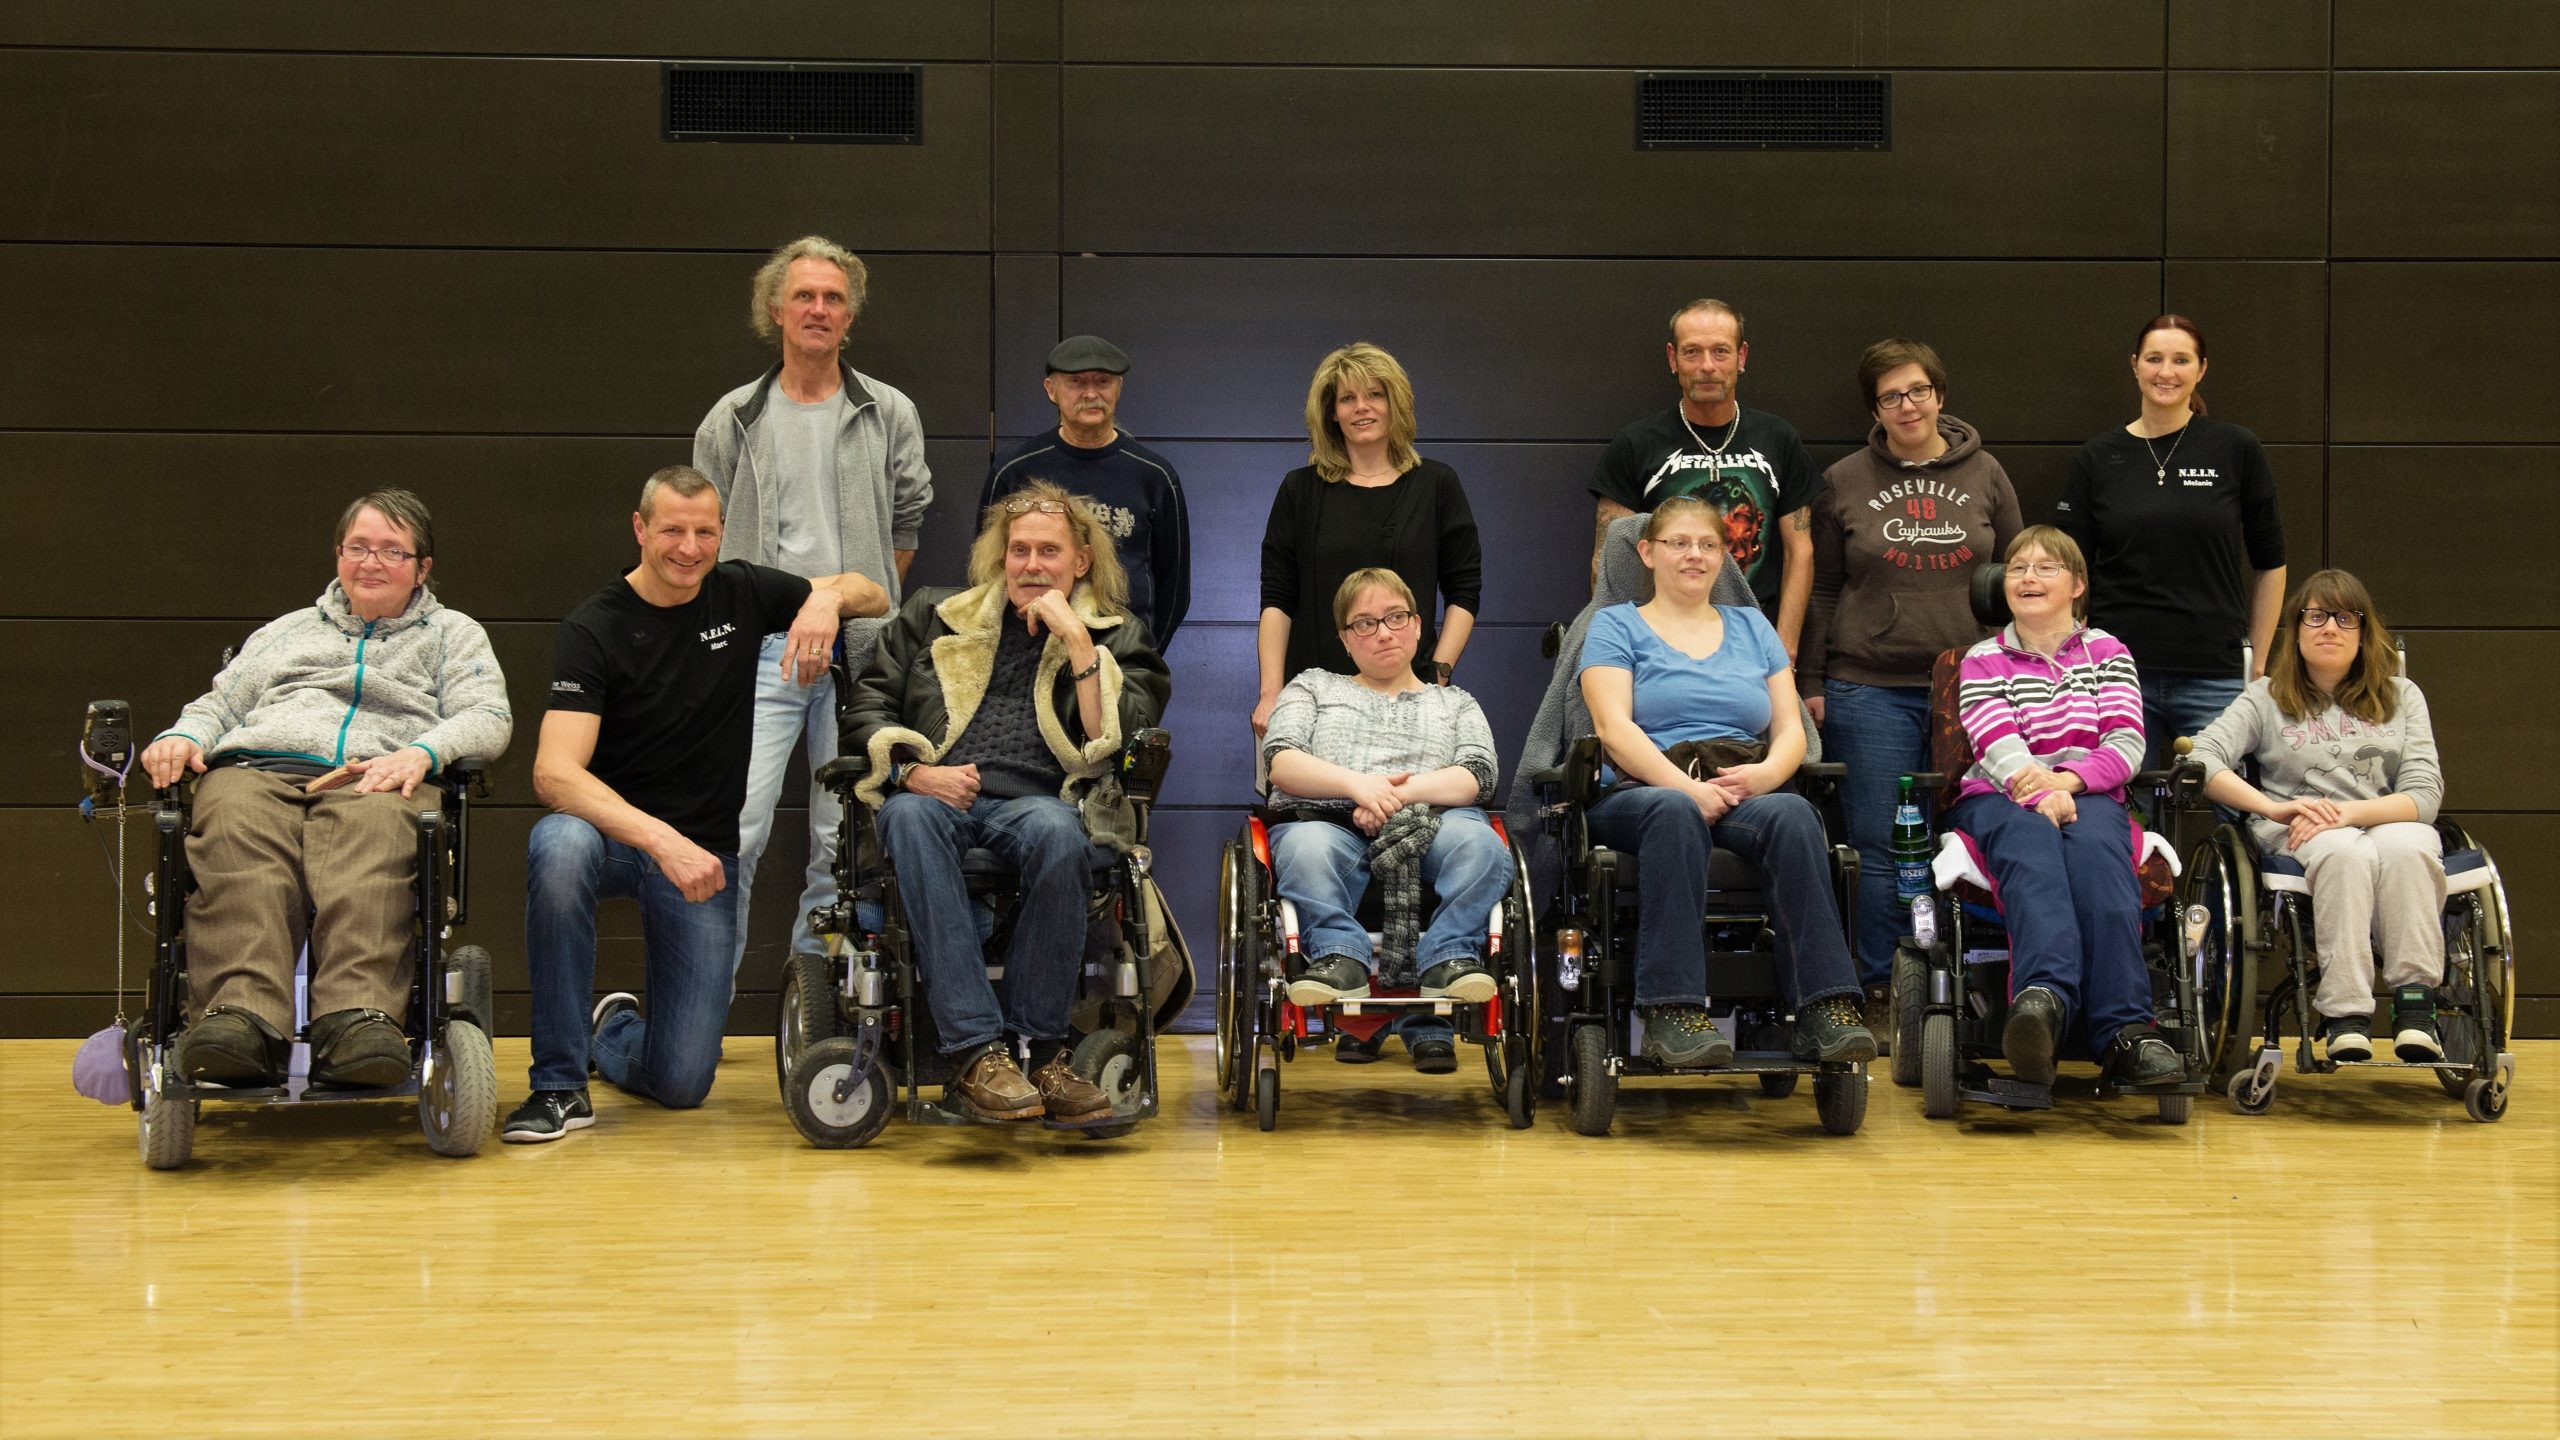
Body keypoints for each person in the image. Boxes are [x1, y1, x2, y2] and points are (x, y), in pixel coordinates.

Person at [505, 467, 887, 1142]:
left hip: (701, 854)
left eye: (704, 531)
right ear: (641, 528)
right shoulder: (594, 626)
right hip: (620, 838)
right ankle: (558, 1087)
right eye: (673, 530)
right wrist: (661, 840)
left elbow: (873, 592)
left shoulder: (740, 591)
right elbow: (553, 774)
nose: (688, 547)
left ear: (720, 533)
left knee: (682, 1084)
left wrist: (823, 602)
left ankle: (613, 1031)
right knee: (557, 846)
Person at [139, 489, 511, 1089]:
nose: (372, 562)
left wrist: (423, 751)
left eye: (392, 551)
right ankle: (241, 1020)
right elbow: (221, 704)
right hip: (258, 767)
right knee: (235, 836)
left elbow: (489, 718)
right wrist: (182, 735)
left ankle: (356, 1020)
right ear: (338, 554)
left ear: (423, 567)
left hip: (378, 773)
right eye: (358, 547)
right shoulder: (286, 632)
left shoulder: (453, 635)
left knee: (369, 850)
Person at [841, 480, 1172, 1125]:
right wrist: (912, 770)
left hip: (1040, 801)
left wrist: (1079, 642)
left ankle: (1040, 1048)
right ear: (1001, 556)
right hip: (938, 793)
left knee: (1059, 835)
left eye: (1048, 551)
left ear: (1081, 560)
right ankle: (974, 1052)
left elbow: (1128, 735)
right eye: (1018, 549)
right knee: (905, 816)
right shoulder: (935, 615)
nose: (1031, 565)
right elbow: (867, 706)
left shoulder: (1119, 635)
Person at [692, 235, 934, 984]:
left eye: (833, 298)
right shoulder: (732, 419)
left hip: (861, 654)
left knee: (845, 834)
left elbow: (906, 526)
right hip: (757, 650)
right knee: (737, 825)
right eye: (805, 296)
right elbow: (702, 540)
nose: (819, 310)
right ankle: (704, 1005)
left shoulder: (888, 411)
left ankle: (816, 1000)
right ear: (776, 311)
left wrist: (848, 608)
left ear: (850, 315)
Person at [1577, 495, 1875, 1068]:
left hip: (1741, 780)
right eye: (1679, 543)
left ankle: (1824, 1009)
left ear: (1724, 557)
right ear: (1647, 552)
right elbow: (1614, 729)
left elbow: (1791, 730)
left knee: (1793, 816)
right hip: (1643, 787)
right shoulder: (1614, 625)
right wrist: (1686, 789)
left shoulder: (1751, 625)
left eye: (1708, 544)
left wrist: (1766, 775)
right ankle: (1671, 1012)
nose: (1695, 555)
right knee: (1673, 811)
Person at [1252, 340, 1483, 1065]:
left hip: (1410, 694)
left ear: (1395, 405)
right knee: (1322, 842)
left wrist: (1437, 671)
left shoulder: (1435, 484)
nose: (1361, 409)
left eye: (1373, 395)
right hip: (1323, 708)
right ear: (1330, 411)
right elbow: (1277, 601)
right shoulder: (1302, 490)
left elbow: (1465, 591)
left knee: (1451, 841)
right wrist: (1270, 690)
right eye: (1346, 397)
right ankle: (1361, 1013)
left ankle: (1426, 1018)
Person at [1800, 338, 2023, 1029]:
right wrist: (1812, 678)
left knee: (1974, 836)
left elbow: (2019, 580)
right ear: (1875, 407)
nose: (1907, 404)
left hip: (1976, 688)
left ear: (1940, 395)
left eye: (1918, 390)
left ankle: (1963, 983)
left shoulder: (1986, 473)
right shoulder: (1842, 479)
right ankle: (1881, 984)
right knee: (1880, 843)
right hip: (1869, 687)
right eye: (1891, 395)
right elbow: (1826, 591)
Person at [1947, 526, 2183, 1089]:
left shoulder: (2108, 652)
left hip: (2091, 793)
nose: (2028, 576)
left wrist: (2068, 783)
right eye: (2018, 567)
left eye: (2046, 567)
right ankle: (2043, 1002)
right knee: (2031, 850)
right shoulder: (1983, 658)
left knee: (2102, 862)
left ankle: (2127, 1032)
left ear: (2077, 585)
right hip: (2001, 795)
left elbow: (2127, 742)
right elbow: (1994, 742)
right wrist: (2037, 790)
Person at [2189, 570, 2446, 1064]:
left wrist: (2347, 813)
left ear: (2365, 632)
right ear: (2297, 629)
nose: (2330, 627)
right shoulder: (2264, 698)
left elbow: (2424, 795)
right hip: (2299, 829)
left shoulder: (2402, 695)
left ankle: (2416, 1007)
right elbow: (2202, 760)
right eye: (2316, 616)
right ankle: (2345, 1013)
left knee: (2410, 844)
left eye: (2345, 618)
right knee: (2343, 851)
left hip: (2380, 821)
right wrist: (2271, 806)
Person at [1261, 569, 1509, 1075]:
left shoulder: (1455, 701)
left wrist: (1396, 794)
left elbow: (1477, 775)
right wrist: (1357, 786)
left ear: (1418, 626)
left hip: (1434, 823)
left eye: (1395, 618)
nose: (1383, 632)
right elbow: (1281, 761)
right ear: (1345, 640)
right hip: (1330, 823)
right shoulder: (1311, 686)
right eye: (1365, 623)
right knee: (1304, 848)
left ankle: (1448, 957)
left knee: (1483, 847)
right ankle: (1339, 956)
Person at [2056, 313, 2286, 770]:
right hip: (2116, 674)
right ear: (2135, 365)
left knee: (2241, 813)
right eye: (2155, 358)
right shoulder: (2098, 457)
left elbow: (2271, 562)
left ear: (2201, 369)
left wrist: (2256, 664)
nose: (2166, 371)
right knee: (2115, 812)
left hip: (2215, 673)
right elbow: (2068, 570)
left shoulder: (2235, 448)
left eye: (2181, 360)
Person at [1590, 298, 1821, 656]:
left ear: (1742, 357)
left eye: (1721, 351)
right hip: (1661, 642)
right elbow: (1608, 561)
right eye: (1692, 352)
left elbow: (1800, 551)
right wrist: (1619, 652)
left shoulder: (1777, 438)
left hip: (1755, 641)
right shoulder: (1636, 443)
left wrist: (1785, 650)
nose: (1707, 366)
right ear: (1673, 358)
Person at [981, 334, 1191, 649]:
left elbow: (1174, 586)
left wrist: (1147, 655)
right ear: (1051, 390)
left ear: (1119, 388)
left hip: (1123, 652)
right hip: (1028, 649)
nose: (1091, 393)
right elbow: (988, 569)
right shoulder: (1015, 469)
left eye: (1103, 382)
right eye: (1076, 382)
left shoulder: (1154, 475)